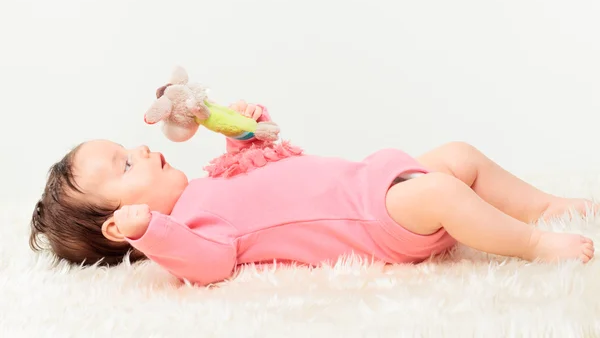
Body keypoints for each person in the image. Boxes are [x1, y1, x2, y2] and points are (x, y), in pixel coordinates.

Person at [30, 101, 595, 286]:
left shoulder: (205, 186)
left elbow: (264, 162)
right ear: (119, 221)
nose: (143, 150)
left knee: (458, 155)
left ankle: (543, 206)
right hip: (378, 220)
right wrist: (151, 233)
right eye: (126, 165)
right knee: (445, 191)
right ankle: (533, 244)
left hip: (373, 179)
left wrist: (245, 126)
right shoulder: (191, 230)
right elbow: (209, 265)